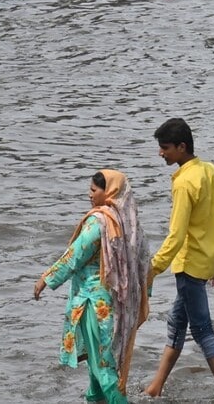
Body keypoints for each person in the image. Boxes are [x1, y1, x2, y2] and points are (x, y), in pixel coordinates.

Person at [142, 118, 214, 404]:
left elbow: (176, 234)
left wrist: (153, 268)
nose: (161, 153)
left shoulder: (184, 182)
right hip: (205, 262)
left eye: (165, 148)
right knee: (177, 323)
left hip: (188, 266)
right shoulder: (210, 171)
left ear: (182, 147)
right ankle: (156, 386)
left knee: (203, 331)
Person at [33, 169, 150, 404]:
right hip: (116, 303)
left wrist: (46, 278)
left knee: (104, 370)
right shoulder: (129, 223)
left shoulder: (99, 222)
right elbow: (146, 264)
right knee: (98, 368)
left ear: (109, 192)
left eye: (94, 190)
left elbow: (75, 255)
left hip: (93, 305)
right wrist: (143, 297)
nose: (89, 195)